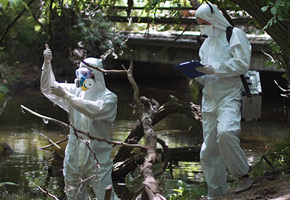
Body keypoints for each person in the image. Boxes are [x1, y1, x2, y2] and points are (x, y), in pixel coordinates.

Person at [41, 44, 118, 200]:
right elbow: (48, 88)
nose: (80, 78)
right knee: (73, 196)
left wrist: (67, 96)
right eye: (79, 73)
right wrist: (47, 64)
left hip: (98, 159)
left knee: (106, 196)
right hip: (74, 157)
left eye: (84, 74)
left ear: (95, 75)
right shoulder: (77, 91)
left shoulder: (109, 97)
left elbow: (94, 110)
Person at [194, 3, 253, 200]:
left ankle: (243, 175)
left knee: (226, 133)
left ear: (214, 19)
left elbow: (242, 64)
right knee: (208, 150)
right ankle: (215, 193)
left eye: (204, 22)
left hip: (229, 95)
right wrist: (198, 74)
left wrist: (215, 68)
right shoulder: (205, 44)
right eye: (199, 23)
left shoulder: (234, 34)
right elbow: (206, 74)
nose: (202, 26)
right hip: (209, 100)